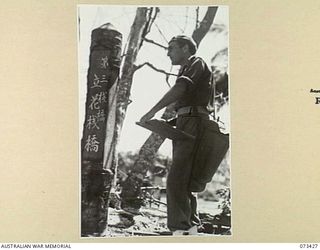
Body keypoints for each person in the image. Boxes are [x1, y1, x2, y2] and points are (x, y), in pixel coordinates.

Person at [140, 35, 212, 235]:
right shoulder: (188, 67)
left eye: (171, 48)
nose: (168, 52)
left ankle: (181, 230)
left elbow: (181, 89)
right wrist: (168, 123)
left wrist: (152, 111)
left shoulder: (196, 62)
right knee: (184, 179)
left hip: (194, 122)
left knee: (176, 179)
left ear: (186, 48)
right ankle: (191, 227)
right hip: (188, 121)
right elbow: (189, 104)